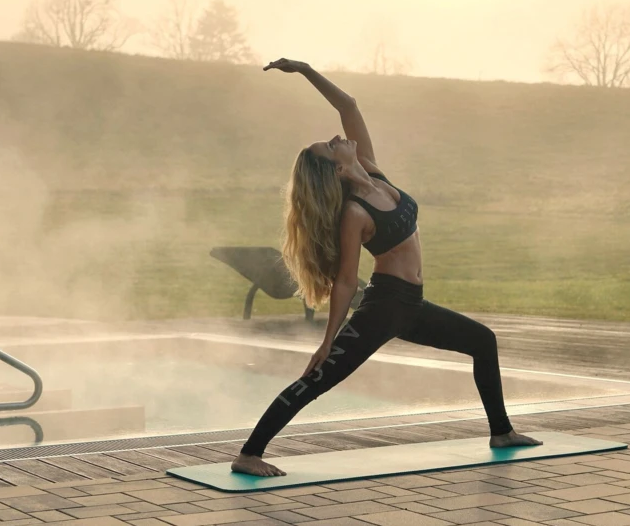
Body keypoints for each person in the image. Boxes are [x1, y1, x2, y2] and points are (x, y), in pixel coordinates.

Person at [230, 58, 543, 477]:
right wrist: (327, 341)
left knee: (482, 341)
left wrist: (305, 71)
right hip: (383, 308)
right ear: (337, 168)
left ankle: (501, 432)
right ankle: (249, 454)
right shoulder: (355, 214)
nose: (338, 137)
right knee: (319, 379)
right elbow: (344, 280)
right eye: (331, 144)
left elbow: (349, 106)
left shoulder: (374, 172)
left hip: (412, 304)